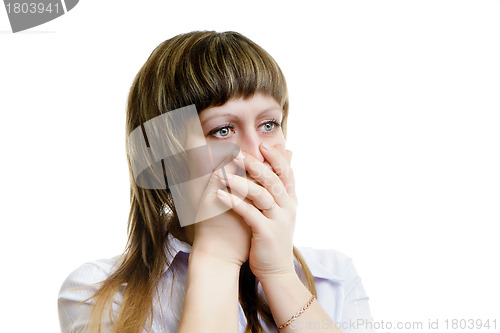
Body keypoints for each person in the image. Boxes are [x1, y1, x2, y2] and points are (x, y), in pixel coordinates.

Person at [58, 30, 375, 333]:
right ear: (165, 161)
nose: (255, 153)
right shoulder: (97, 294)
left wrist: (280, 275)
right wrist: (217, 260)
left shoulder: (334, 278)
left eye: (269, 124)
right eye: (223, 130)